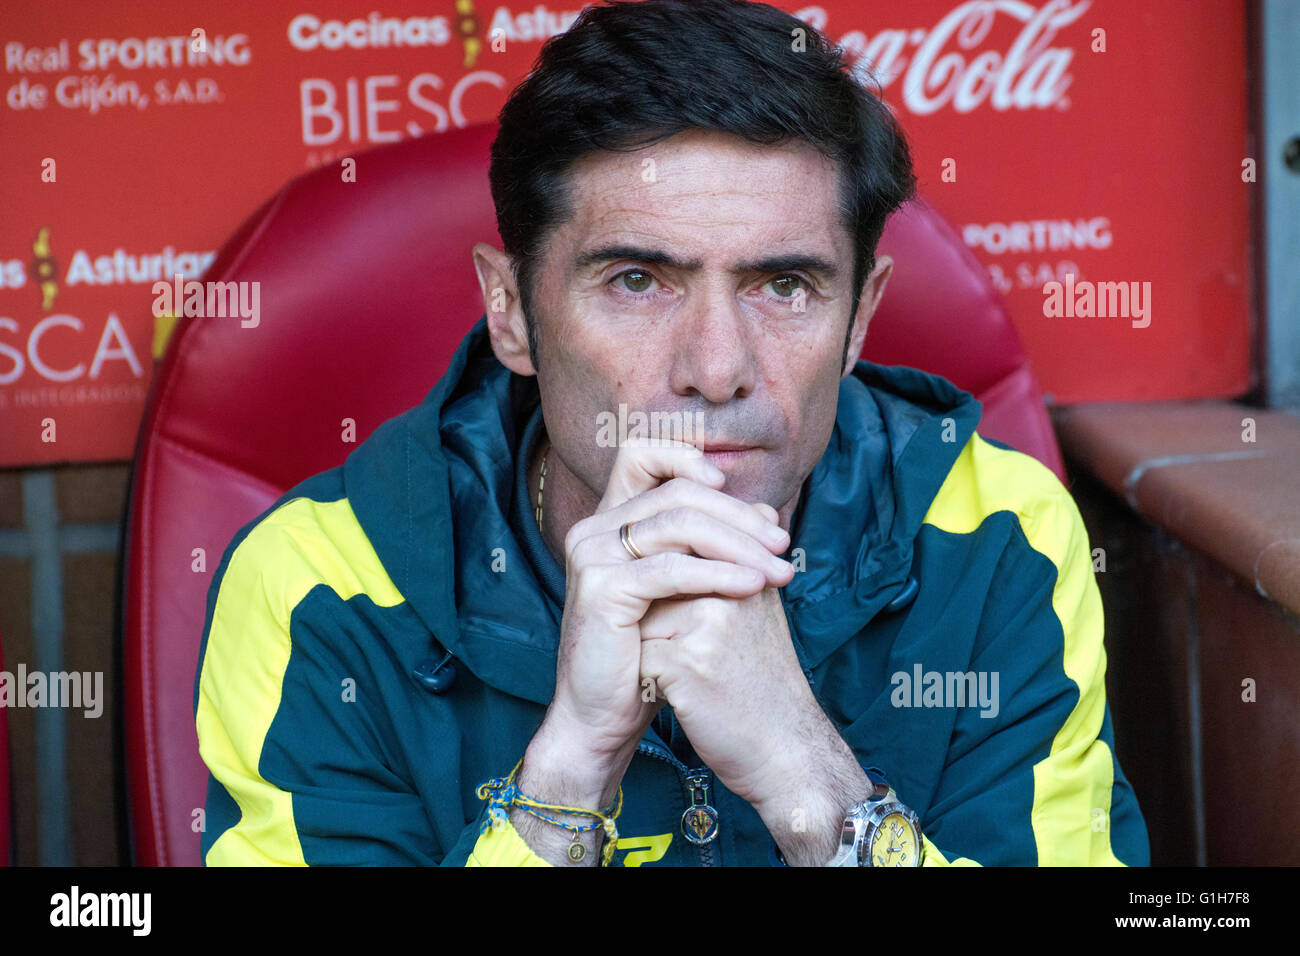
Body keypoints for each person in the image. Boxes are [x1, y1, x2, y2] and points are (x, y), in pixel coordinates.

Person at [193, 0, 1149, 867]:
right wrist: (567, 775)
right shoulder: (317, 587)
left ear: (860, 318)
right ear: (511, 311)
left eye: (784, 286)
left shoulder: (995, 535)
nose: (717, 366)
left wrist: (812, 783)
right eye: (637, 282)